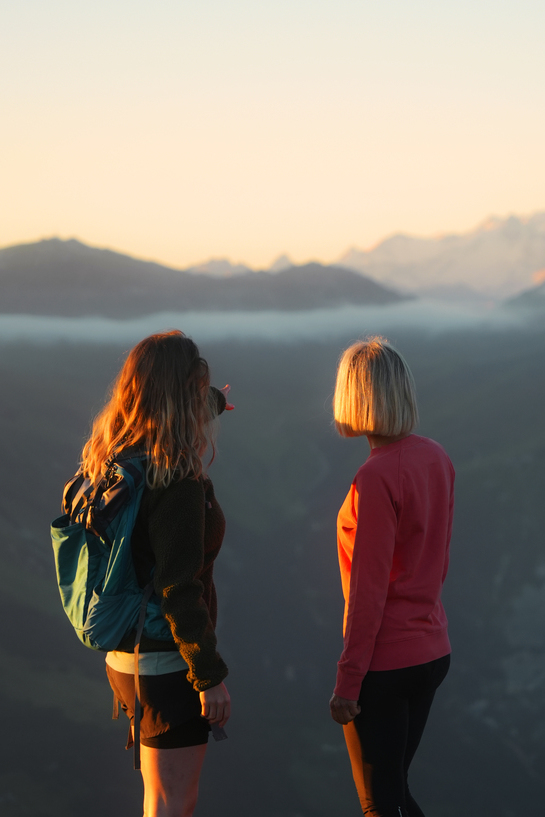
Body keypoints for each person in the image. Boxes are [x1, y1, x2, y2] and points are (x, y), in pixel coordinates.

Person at [78, 330, 232, 817]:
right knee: (173, 806)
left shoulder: (116, 457)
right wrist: (208, 676)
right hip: (168, 664)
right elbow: (178, 588)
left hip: (126, 659)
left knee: (157, 801)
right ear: (180, 396)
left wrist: (208, 400)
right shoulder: (178, 477)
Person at [329, 337, 454, 817]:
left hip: (385, 663)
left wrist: (348, 680)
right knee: (394, 791)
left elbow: (368, 589)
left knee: (378, 802)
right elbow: (438, 561)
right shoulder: (437, 457)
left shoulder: (375, 478)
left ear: (353, 397)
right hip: (432, 650)